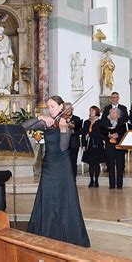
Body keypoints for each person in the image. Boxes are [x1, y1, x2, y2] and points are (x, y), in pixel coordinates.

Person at [22, 96, 90, 247]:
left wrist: (64, 130)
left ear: (61, 107)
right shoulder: (46, 123)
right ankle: (47, 232)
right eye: (49, 107)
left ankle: (65, 234)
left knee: (62, 198)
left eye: (53, 106)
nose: (50, 109)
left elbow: (63, 147)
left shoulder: (66, 123)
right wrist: (40, 116)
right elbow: (24, 126)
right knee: (47, 196)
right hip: (48, 166)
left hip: (61, 166)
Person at [81, 106, 106, 188]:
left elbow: (100, 133)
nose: (91, 112)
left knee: (96, 163)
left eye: (92, 110)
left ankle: (97, 181)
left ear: (97, 112)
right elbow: (84, 134)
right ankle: (91, 180)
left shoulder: (101, 122)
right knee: (91, 164)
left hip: (97, 145)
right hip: (89, 146)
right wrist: (83, 145)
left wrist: (90, 134)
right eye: (90, 110)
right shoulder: (86, 122)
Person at [102, 108, 126, 189]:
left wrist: (118, 136)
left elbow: (125, 134)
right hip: (109, 146)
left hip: (119, 146)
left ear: (118, 114)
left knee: (120, 166)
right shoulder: (105, 122)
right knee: (110, 166)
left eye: (114, 112)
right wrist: (108, 136)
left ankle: (119, 185)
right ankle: (111, 184)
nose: (113, 113)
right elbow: (102, 134)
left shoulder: (122, 122)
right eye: (111, 112)